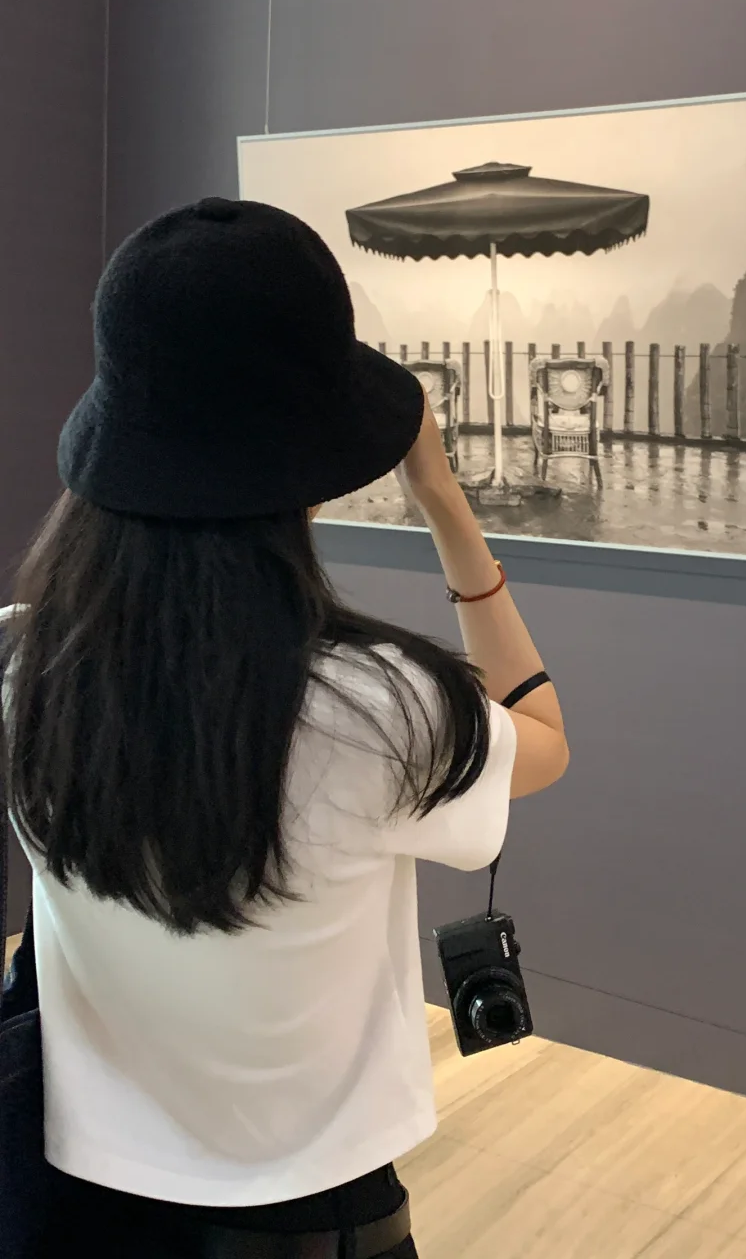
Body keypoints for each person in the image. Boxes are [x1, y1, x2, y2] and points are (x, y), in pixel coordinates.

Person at [0, 198, 569, 1258]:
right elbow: (542, 738)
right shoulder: (378, 706)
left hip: (73, 1195)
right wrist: (444, 501)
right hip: (312, 1210)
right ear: (314, 472)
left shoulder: (26, 664)